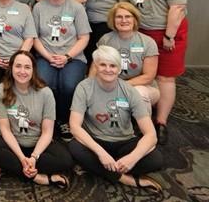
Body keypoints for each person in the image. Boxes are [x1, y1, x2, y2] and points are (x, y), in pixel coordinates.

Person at [118, 0, 189, 144]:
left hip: (168, 32)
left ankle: (161, 122)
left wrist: (169, 35)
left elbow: (177, 7)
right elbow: (123, 3)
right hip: (140, 32)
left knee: (165, 77)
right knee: (145, 75)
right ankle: (141, 116)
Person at [68, 46, 163, 193]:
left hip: (123, 141)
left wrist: (132, 158)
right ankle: (123, 178)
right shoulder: (84, 87)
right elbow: (74, 126)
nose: (108, 69)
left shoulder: (130, 90)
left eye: (113, 66)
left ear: (119, 69)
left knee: (156, 159)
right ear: (96, 66)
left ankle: (104, 168)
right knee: (74, 147)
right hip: (96, 140)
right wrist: (101, 153)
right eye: (103, 65)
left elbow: (151, 134)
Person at [0, 50, 73, 188]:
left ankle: (10, 168)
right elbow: (5, 130)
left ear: (33, 70)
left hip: (37, 145)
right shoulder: (0, 90)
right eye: (18, 66)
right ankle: (38, 177)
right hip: (12, 144)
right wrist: (21, 157)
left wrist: (34, 157)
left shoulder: (46, 93)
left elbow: (48, 132)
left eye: (27, 67)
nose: (22, 71)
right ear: (11, 68)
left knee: (65, 160)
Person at [32, 0, 91, 140]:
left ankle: (64, 120)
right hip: (45, 55)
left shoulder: (76, 7)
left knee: (69, 85)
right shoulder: (39, 7)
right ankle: (46, 122)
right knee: (44, 85)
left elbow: (84, 37)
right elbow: (34, 37)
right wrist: (48, 56)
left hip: (73, 57)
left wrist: (67, 56)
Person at [90, 2, 160, 112]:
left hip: (143, 87)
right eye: (119, 17)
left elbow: (148, 76)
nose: (123, 20)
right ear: (113, 20)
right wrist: (91, 86)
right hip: (110, 84)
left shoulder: (148, 42)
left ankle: (143, 126)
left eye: (128, 16)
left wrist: (120, 86)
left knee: (138, 93)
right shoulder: (106, 39)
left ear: (135, 19)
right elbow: (95, 66)